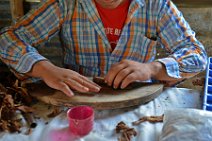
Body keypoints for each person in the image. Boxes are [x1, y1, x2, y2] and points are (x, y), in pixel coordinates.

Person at [0, 0, 207, 97]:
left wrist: (152, 69)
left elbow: (197, 54)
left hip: (139, 103)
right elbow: (7, 39)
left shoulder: (157, 5)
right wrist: (45, 69)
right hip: (76, 102)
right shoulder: (65, 3)